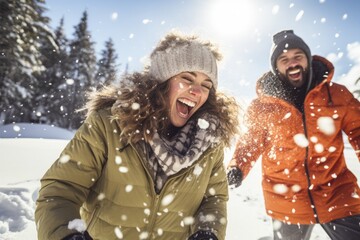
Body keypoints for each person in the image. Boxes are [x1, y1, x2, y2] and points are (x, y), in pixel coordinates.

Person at [35, 31, 240, 240]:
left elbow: (214, 199)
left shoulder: (209, 143)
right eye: (187, 78)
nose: (197, 92)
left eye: (206, 85)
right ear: (161, 82)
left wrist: (208, 232)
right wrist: (67, 236)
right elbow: (60, 191)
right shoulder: (110, 125)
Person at [227, 29, 360, 240]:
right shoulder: (263, 106)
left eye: (298, 56)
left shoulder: (336, 94)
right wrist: (237, 167)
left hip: (337, 193)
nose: (292, 63)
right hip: (287, 200)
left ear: (307, 59)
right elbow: (251, 142)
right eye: (284, 59)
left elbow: (358, 129)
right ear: (275, 67)